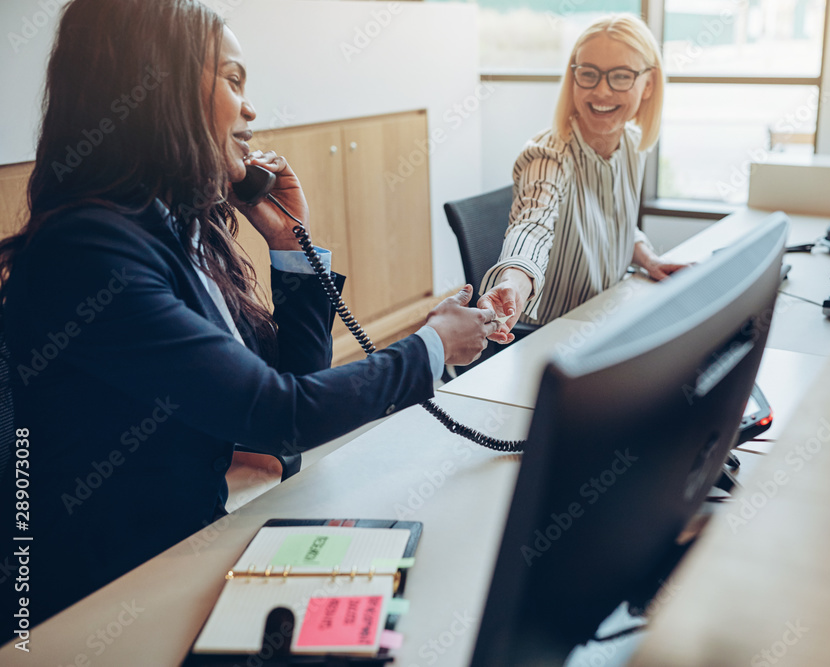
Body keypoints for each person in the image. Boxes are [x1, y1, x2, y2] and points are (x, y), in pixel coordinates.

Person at [0, 0, 498, 623]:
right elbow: (275, 414)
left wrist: (292, 249)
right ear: (158, 89)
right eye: (233, 81)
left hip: (195, 544)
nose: (251, 108)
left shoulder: (175, 226)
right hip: (107, 600)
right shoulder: (88, 251)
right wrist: (430, 346)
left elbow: (298, 385)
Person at [478, 14, 686, 341]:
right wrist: (512, 283)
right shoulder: (549, 156)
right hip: (552, 333)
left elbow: (611, 219)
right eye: (588, 74)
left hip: (609, 316)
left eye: (620, 76)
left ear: (648, 84)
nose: (601, 91)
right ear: (573, 78)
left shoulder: (631, 144)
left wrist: (648, 258)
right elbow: (532, 226)